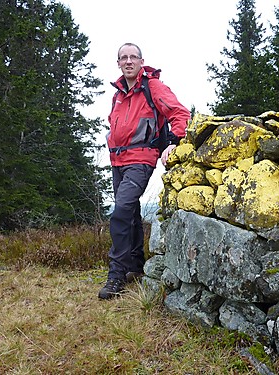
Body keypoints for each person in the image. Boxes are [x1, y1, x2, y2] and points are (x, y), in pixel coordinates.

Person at [98, 43, 190, 299]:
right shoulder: (118, 94)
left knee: (121, 209)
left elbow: (180, 113)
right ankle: (135, 267)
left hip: (142, 157)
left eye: (133, 57)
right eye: (123, 57)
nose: (128, 61)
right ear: (118, 63)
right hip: (117, 160)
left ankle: (116, 275)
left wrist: (174, 141)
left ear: (141, 61)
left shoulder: (153, 87)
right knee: (130, 210)